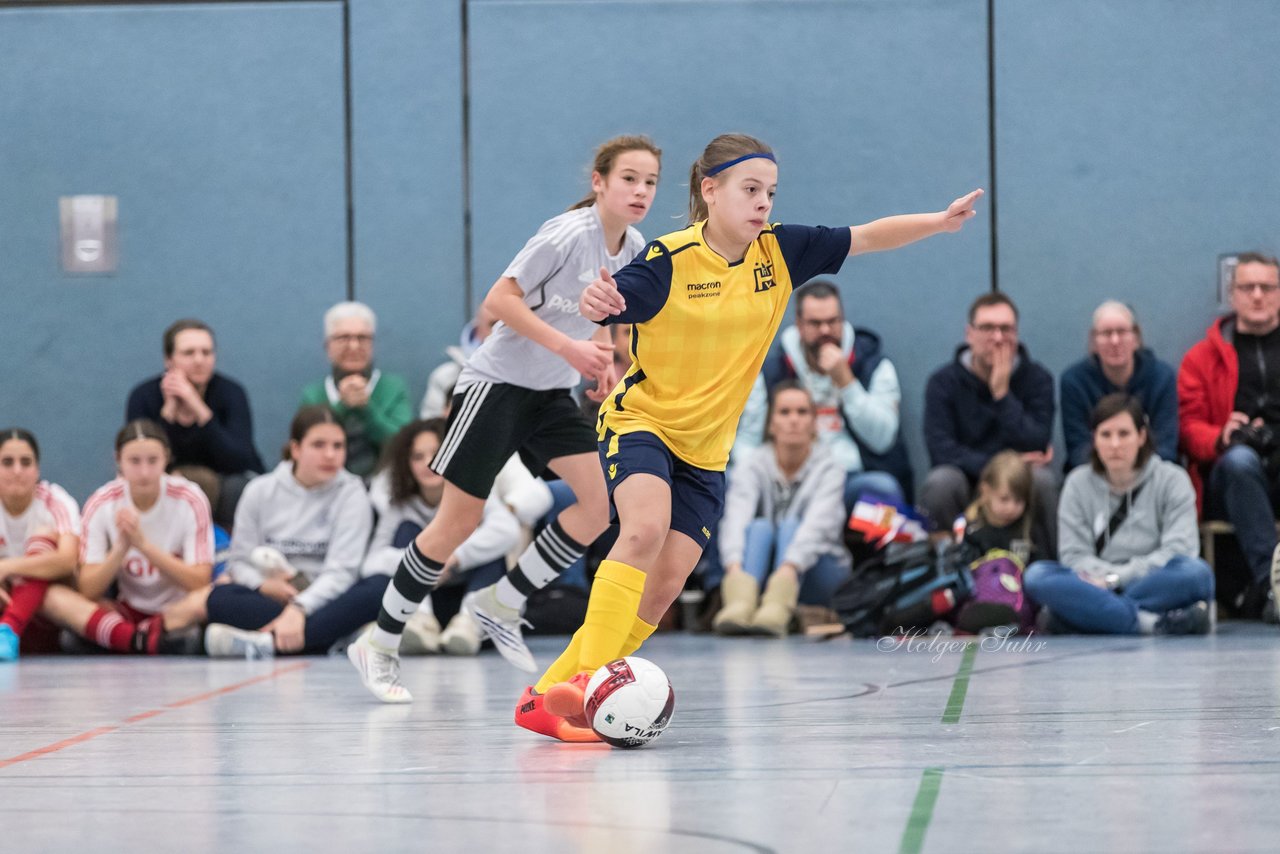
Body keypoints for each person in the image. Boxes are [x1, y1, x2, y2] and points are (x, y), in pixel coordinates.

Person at [515, 132, 982, 742]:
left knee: (661, 593)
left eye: (770, 192)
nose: (763, 203)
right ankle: (589, 687)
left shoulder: (779, 253)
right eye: (750, 189)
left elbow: (866, 236)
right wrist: (600, 300)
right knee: (644, 530)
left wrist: (939, 223)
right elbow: (617, 297)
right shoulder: (669, 259)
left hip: (707, 451)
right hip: (644, 424)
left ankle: (546, 700)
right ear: (710, 191)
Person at [348, 135, 662, 702]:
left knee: (598, 507)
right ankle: (379, 642)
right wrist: (567, 350)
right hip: (494, 388)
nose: (641, 191)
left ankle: (502, 601)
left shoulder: (632, 245)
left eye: (650, 182)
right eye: (629, 179)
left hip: (549, 395)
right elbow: (499, 300)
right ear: (599, 181)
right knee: (456, 524)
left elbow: (601, 306)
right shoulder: (565, 235)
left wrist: (603, 355)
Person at [180, 406, 376, 657]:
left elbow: (342, 572)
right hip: (274, 598)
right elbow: (239, 562)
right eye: (318, 445)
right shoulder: (260, 491)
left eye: (338, 446)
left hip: (327, 598)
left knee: (377, 590)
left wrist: (299, 609)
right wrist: (263, 585)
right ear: (295, 449)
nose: (330, 455)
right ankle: (332, 639)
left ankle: (268, 642)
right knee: (219, 597)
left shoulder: (352, 493)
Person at [1024, 394, 1213, 634]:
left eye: (1124, 434)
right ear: (1094, 440)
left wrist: (1116, 579)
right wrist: (1101, 581)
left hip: (1151, 582)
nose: (1115, 445)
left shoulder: (1172, 479)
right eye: (1106, 435)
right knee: (1037, 576)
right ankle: (1149, 623)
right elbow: (1074, 557)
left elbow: (1179, 549)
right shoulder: (1077, 483)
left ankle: (1089, 617)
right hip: (1092, 583)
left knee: (1197, 574)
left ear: (1141, 437)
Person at [41, 420, 214, 654]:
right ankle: (138, 638)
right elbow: (88, 590)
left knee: (214, 594)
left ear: (166, 458)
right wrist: (121, 548)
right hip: (127, 611)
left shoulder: (190, 498)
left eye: (153, 461)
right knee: (54, 598)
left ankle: (125, 636)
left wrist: (144, 546)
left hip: (179, 611)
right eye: (134, 461)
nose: (144, 472)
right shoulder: (102, 502)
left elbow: (200, 581)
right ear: (118, 461)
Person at [738, 278, 912, 503]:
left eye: (832, 321)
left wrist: (847, 383)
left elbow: (883, 439)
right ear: (799, 325)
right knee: (734, 482)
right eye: (815, 323)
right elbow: (746, 441)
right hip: (786, 481)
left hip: (850, 478)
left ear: (842, 320)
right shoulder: (773, 371)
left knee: (882, 488)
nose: (825, 330)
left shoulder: (874, 365)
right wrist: (765, 476)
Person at [362, 419, 520, 655]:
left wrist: (455, 558)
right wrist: (424, 561)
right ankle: (419, 620)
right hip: (427, 601)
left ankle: (469, 624)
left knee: (491, 550)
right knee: (408, 531)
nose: (428, 463)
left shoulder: (472, 491)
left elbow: (508, 531)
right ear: (406, 465)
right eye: (417, 457)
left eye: (437, 454)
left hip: (469, 603)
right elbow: (371, 564)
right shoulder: (400, 507)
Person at [1178, 252, 1280, 616]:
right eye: (1247, 287)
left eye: (1267, 287)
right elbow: (1189, 431)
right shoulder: (1201, 359)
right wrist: (1221, 435)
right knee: (1239, 460)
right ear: (1232, 295)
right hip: (1231, 475)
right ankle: (1274, 589)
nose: (1257, 295)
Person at [921, 292, 1058, 553]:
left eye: (1006, 329)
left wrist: (1002, 395)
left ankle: (1049, 575)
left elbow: (1037, 441)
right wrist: (998, 469)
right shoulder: (943, 382)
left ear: (1016, 335)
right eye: (987, 328)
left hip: (1019, 483)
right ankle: (944, 574)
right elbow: (941, 450)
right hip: (967, 481)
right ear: (969, 333)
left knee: (1042, 481)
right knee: (941, 482)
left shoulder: (1038, 379)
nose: (997, 338)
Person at [712, 382, 849, 637]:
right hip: (760, 576)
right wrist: (734, 571)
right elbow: (735, 518)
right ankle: (740, 604)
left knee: (791, 526)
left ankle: (778, 607)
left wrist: (786, 575)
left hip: (816, 571)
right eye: (784, 412)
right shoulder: (753, 464)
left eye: (802, 412)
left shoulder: (831, 468)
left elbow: (819, 527)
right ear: (771, 424)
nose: (793, 420)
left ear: (814, 423)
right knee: (758, 527)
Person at [126, 318, 264, 528]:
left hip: (225, 483)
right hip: (169, 481)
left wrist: (199, 409)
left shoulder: (231, 393)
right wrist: (168, 413)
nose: (199, 360)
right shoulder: (144, 396)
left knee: (237, 487)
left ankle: (229, 554)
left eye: (206, 352)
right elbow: (140, 458)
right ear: (169, 360)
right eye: (189, 353)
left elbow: (239, 460)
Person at [300, 301, 412, 479]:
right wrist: (342, 406)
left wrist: (366, 408)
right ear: (327, 346)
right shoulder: (314, 394)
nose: (353, 346)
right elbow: (308, 446)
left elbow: (404, 445)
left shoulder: (393, 387)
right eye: (343, 338)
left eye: (362, 338)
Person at [1060, 301, 1177, 469]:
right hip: (1094, 479)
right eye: (1106, 333)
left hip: (1151, 478)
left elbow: (1166, 447)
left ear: (1136, 338)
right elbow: (1078, 450)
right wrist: (1115, 478)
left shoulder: (1162, 378)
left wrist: (1132, 478)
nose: (1115, 341)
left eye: (1122, 332)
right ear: (1094, 342)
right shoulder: (1074, 382)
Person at [0, 429, 80, 660]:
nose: (17, 471)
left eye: (25, 462)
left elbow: (67, 560)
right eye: (7, 462)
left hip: (46, 614)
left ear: (37, 469)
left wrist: (6, 567)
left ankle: (9, 629)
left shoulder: (55, 501)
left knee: (43, 537)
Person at [419, 307, 497, 419]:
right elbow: (433, 426)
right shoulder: (445, 376)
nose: (500, 331)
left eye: (506, 325)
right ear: (478, 329)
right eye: (493, 324)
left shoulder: (528, 376)